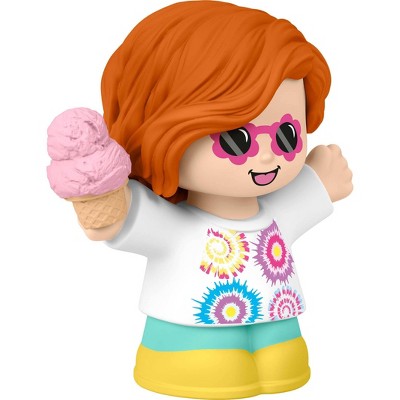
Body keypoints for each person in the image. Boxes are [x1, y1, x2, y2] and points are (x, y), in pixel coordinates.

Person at [48, 1, 353, 398]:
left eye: (286, 134)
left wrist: (320, 179)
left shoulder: (275, 212)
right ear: (158, 129)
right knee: (212, 367)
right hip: (189, 337)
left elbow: (309, 195)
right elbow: (116, 219)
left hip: (279, 324)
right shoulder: (173, 226)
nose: (267, 156)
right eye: (236, 140)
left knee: (284, 357)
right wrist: (99, 195)